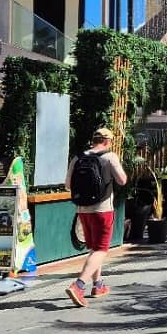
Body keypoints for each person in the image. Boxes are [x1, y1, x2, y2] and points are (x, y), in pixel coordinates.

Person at [64, 128, 127, 307]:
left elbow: (68, 185)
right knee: (101, 250)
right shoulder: (110, 157)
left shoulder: (78, 158)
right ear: (107, 141)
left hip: (83, 210)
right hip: (103, 209)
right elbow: (122, 180)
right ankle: (79, 285)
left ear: (94, 140)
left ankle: (98, 285)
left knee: (93, 248)